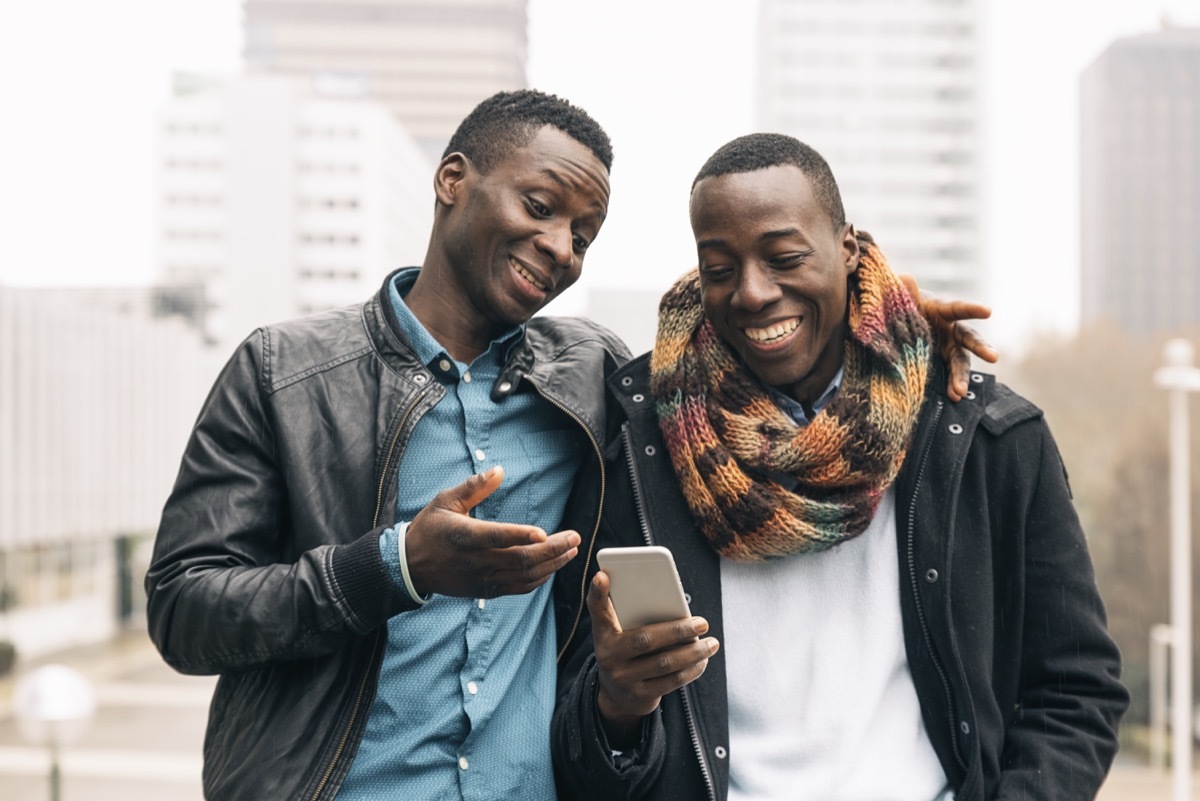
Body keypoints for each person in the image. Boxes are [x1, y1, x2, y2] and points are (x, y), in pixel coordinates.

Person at [147, 89, 991, 800]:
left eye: (583, 234)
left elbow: (729, 334)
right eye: (540, 207)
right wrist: (397, 565)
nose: (559, 248)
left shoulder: (591, 376)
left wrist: (890, 324)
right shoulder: (283, 372)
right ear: (452, 180)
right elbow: (184, 611)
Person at [552, 134, 1128, 801]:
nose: (754, 291)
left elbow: (1075, 691)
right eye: (719, 267)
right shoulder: (636, 450)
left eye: (785, 257)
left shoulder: (984, 442)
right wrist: (616, 706)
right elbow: (576, 751)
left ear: (848, 249)